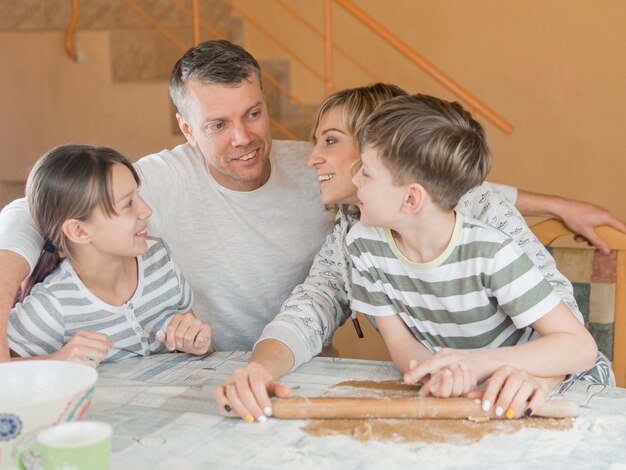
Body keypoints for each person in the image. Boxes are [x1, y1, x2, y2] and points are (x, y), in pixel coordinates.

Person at [0, 41, 622, 362]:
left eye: (253, 113)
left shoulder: (322, 169)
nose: (244, 138)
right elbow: (37, 209)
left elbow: (439, 186)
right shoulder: (153, 183)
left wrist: (559, 205)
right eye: (217, 125)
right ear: (186, 131)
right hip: (212, 366)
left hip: (314, 367)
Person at [216, 83, 616, 423]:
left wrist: (531, 378)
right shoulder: (354, 235)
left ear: (379, 143)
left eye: (331, 140)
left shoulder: (481, 215)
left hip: (554, 383)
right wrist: (259, 369)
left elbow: (568, 333)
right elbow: (311, 306)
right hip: (467, 395)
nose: (312, 158)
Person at [346, 93, 600, 417]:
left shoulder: (490, 252)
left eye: (365, 172)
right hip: (479, 398)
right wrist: (441, 372)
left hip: (551, 383)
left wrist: (480, 364)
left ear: (411, 199)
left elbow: (580, 348)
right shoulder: (364, 245)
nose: (354, 180)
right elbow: (401, 344)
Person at [7, 145, 212, 366]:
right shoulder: (53, 306)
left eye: (138, 195)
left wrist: (200, 344)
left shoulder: (158, 258)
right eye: (128, 204)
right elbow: (8, 374)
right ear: (80, 231)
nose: (146, 210)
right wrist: (55, 361)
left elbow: (204, 347)